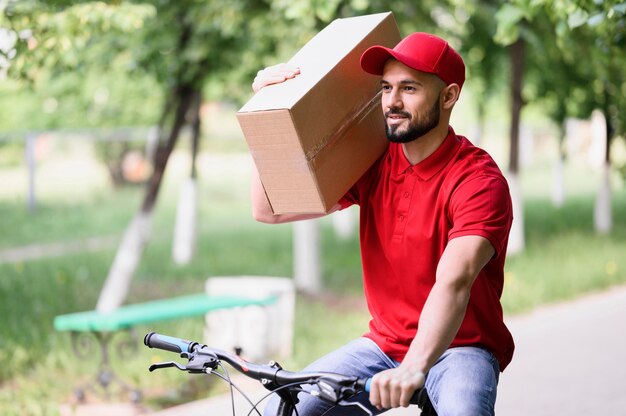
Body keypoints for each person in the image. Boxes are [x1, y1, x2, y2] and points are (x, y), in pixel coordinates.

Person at [250, 32, 514, 416]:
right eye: (386, 87)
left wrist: (414, 367)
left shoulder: (477, 180)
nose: (392, 101)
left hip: (461, 347)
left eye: (409, 88)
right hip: (383, 345)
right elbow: (269, 210)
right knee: (281, 408)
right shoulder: (374, 163)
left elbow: (454, 282)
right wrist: (265, 112)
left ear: (448, 96)